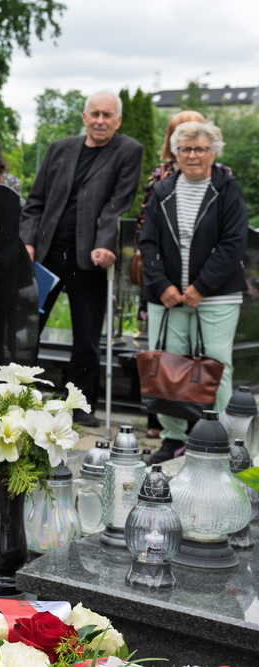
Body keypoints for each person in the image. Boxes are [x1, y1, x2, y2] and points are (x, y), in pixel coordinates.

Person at [19, 91, 144, 427]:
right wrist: (27, 242)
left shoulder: (128, 151)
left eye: (108, 115)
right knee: (28, 328)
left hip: (90, 258)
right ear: (85, 117)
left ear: (118, 120)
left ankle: (79, 404)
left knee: (87, 336)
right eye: (95, 114)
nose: (100, 121)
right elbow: (35, 201)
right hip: (47, 254)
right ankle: (19, 395)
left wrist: (106, 245)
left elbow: (118, 203)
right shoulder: (59, 148)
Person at [140, 121, 248, 462]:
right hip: (168, 298)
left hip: (216, 295)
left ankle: (224, 440)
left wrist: (201, 286)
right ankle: (172, 438)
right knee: (168, 366)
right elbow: (148, 242)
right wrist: (162, 285)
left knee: (217, 365)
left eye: (201, 148)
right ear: (175, 153)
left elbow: (233, 243)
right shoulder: (162, 190)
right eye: (185, 149)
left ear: (213, 152)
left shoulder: (227, 189)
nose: (193, 155)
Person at [135, 110, 207, 440]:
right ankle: (160, 420)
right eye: (180, 132)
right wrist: (160, 278)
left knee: (198, 351)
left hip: (202, 282)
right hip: (162, 276)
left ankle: (198, 422)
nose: (187, 140)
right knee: (162, 350)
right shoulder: (160, 175)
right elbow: (145, 224)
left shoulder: (220, 174)